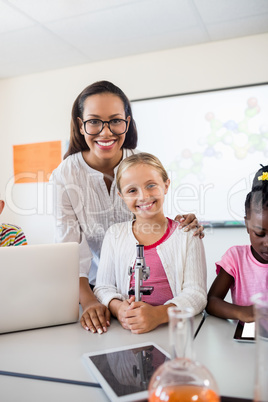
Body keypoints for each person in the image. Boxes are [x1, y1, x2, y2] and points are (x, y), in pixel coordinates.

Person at [50, 80, 204, 334]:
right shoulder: (64, 176)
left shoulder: (140, 164)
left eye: (115, 121)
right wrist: (91, 301)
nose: (106, 131)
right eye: (94, 121)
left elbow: (152, 214)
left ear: (127, 122)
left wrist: (182, 223)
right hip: (95, 290)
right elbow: (69, 249)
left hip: (154, 298)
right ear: (81, 125)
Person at [94, 152, 207, 334]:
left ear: (166, 185)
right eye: (132, 190)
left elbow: (197, 294)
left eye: (151, 186)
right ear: (121, 195)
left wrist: (159, 314)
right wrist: (118, 309)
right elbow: (103, 287)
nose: (144, 196)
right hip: (126, 333)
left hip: (175, 332)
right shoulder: (114, 234)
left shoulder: (187, 233)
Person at [206, 164, 268, 323]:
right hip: (248, 341)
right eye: (260, 233)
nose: (267, 243)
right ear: (247, 225)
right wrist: (243, 312)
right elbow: (211, 301)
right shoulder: (236, 258)